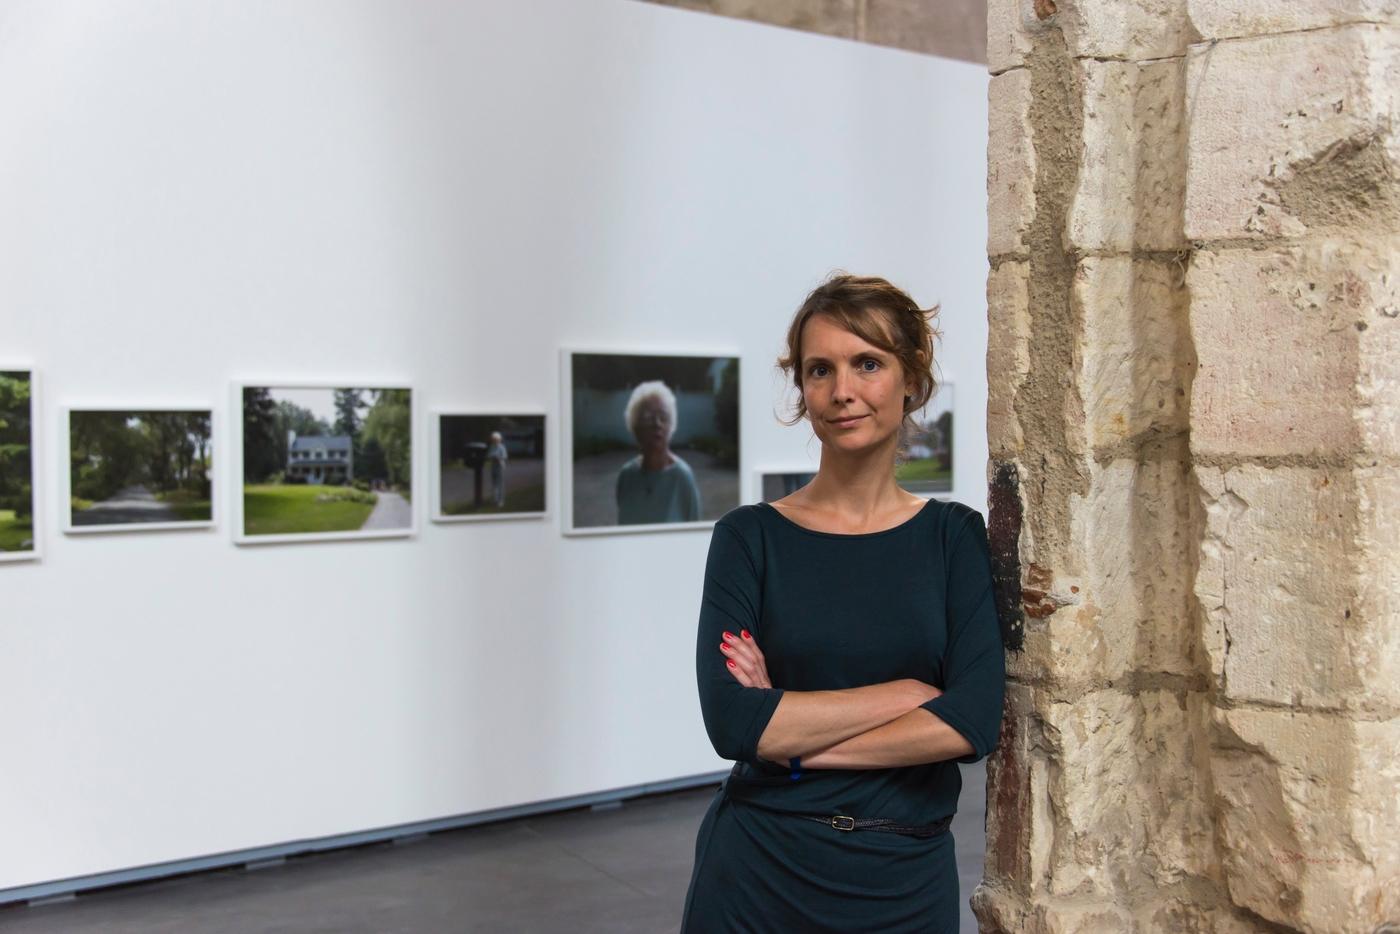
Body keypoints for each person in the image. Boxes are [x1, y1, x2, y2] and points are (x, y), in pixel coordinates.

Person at [680, 274, 1006, 932]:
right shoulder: (749, 538)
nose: (842, 391)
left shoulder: (954, 536)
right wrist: (910, 693)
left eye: (868, 363)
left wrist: (793, 744)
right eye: (818, 369)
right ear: (801, 390)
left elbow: (972, 721)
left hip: (903, 878)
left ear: (911, 380)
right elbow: (734, 726)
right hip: (758, 869)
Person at [615, 380, 703, 525]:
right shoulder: (626, 475)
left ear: (671, 425)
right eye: (648, 417)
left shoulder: (683, 477)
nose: (657, 424)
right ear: (635, 425)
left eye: (663, 417)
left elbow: (695, 532)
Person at [485, 431, 508, 508]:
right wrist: (492, 456)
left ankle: (501, 501)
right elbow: (488, 455)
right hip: (493, 466)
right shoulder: (492, 446)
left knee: (500, 485)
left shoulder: (502, 447)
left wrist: (498, 457)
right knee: (494, 484)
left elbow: (504, 456)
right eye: (493, 439)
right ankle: (495, 499)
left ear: (499, 439)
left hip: (500, 467)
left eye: (495, 439)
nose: (494, 440)